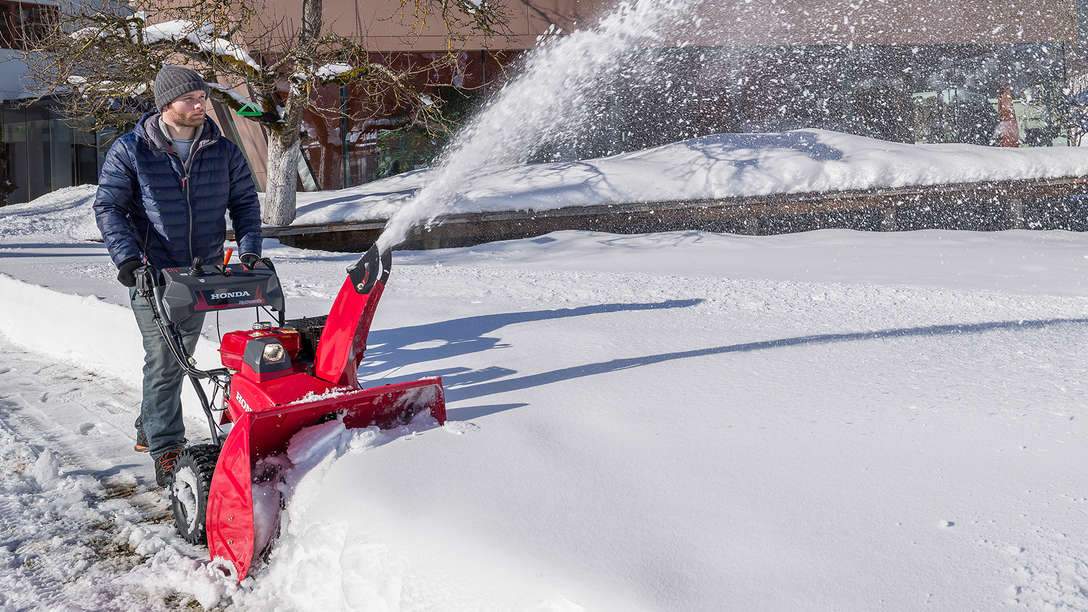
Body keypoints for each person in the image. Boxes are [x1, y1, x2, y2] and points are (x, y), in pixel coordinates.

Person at [93, 65, 263, 487]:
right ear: (166, 104)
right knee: (166, 360)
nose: (200, 104)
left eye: (202, 98)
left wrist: (251, 252)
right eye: (190, 99)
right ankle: (167, 447)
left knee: (177, 357)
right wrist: (128, 259)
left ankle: (147, 423)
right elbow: (109, 208)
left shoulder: (222, 151)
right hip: (152, 275)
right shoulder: (131, 151)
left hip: (201, 274)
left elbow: (244, 204)